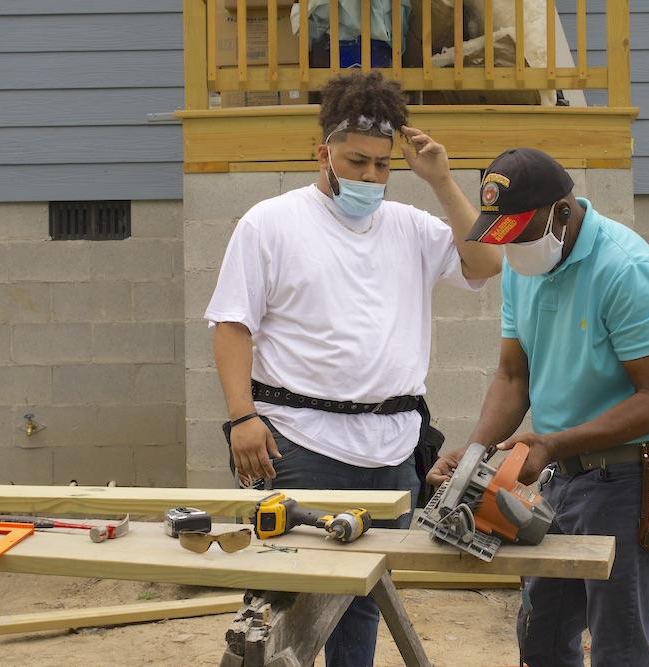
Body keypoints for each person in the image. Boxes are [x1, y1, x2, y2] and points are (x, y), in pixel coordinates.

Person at [204, 72, 501, 667]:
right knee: (287, 601)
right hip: (302, 445)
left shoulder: (412, 229)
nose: (369, 177)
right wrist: (242, 417)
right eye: (356, 161)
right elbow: (232, 325)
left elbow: (486, 259)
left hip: (392, 450)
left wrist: (441, 179)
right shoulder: (271, 223)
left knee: (362, 598)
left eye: (381, 166)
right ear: (325, 154)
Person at [427, 147, 649, 667]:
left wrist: (550, 442)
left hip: (627, 478)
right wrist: (477, 452)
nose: (513, 247)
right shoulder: (525, 268)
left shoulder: (627, 269)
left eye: (521, 232)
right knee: (542, 634)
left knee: (618, 644)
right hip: (556, 479)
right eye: (502, 232)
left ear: (562, 212)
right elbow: (512, 374)